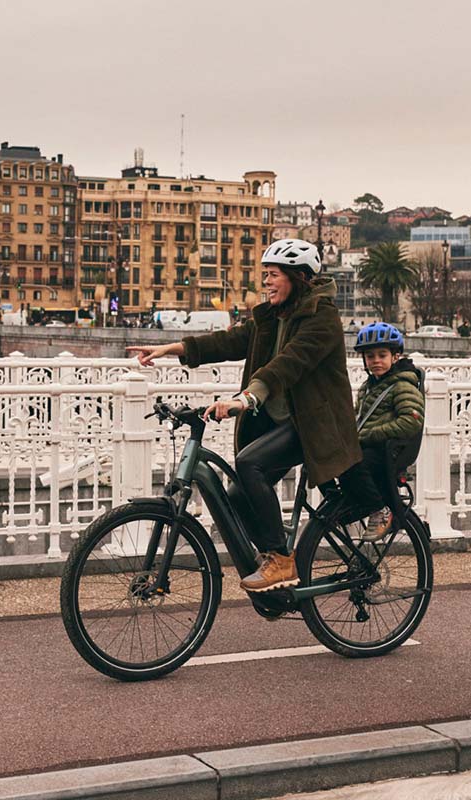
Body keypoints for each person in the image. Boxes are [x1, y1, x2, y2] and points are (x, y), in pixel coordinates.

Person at [127, 238, 361, 593]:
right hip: (284, 422)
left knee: (250, 463)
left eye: (273, 275)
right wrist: (170, 348)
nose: (265, 282)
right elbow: (227, 341)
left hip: (315, 424)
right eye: (264, 275)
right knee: (236, 494)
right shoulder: (273, 316)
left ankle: (280, 560)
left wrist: (246, 398)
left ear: (297, 277)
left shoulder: (322, 317)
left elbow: (289, 364)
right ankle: (273, 562)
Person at [337, 322, 425, 538]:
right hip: (371, 447)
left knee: (352, 464)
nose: (375, 361)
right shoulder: (369, 387)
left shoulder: (402, 385)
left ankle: (380, 511)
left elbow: (411, 421)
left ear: (395, 357)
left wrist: (370, 434)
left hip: (386, 450)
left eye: (382, 355)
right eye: (370, 356)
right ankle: (346, 506)